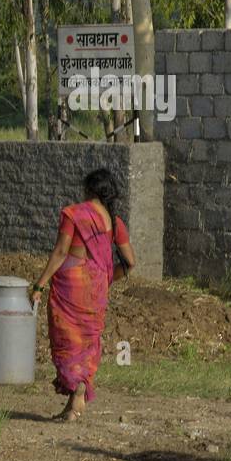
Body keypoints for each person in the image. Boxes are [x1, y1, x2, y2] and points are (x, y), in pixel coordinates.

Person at [31, 169, 136, 421]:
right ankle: (74, 403)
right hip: (97, 288)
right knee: (88, 342)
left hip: (71, 285)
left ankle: (77, 391)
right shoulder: (114, 221)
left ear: (89, 190)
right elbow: (130, 263)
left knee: (68, 338)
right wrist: (106, 278)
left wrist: (39, 285)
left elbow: (59, 252)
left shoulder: (74, 214)